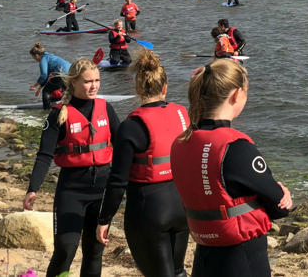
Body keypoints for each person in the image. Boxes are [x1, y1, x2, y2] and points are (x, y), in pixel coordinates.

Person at [170, 59, 292, 276]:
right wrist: (282, 194)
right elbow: (280, 207)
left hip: (204, 255)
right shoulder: (236, 147)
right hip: (241, 258)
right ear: (237, 95)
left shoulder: (181, 143)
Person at [23, 58, 121, 277]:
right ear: (74, 82)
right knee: (65, 251)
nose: (94, 85)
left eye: (97, 80)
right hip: (72, 190)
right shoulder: (59, 114)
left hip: (102, 190)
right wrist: (33, 188)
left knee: (95, 252)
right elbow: (44, 155)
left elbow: (124, 147)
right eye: (88, 81)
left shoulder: (106, 109)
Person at [97, 50, 190, 277]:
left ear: (137, 89)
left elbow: (118, 181)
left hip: (148, 209)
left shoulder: (131, 126)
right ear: (165, 88)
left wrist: (104, 219)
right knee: (178, 272)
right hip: (182, 207)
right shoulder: (182, 115)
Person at [29, 42, 72, 109]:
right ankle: (68, 107)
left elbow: (44, 75)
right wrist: (39, 88)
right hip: (70, 74)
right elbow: (46, 76)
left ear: (36, 55)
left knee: (46, 91)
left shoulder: (43, 60)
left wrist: (35, 85)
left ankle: (46, 110)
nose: (34, 59)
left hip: (62, 75)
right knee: (65, 90)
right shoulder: (50, 57)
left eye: (33, 57)